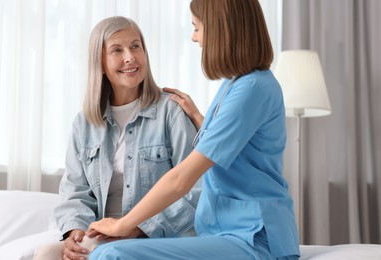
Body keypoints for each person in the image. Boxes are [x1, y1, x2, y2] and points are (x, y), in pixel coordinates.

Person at [88, 0, 300, 259]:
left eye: (198, 27)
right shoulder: (235, 85)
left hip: (254, 237)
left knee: (112, 255)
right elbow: (235, 147)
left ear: (223, 30)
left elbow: (181, 180)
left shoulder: (253, 89)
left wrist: (123, 224)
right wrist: (200, 117)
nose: (194, 37)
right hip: (225, 232)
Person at [33, 16, 200, 260]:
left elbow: (195, 189)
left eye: (135, 46)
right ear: (100, 62)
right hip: (102, 234)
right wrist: (75, 233)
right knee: (46, 253)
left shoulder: (170, 112)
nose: (130, 57)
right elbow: (75, 191)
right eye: (117, 50)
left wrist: (138, 227)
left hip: (157, 235)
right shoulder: (85, 123)